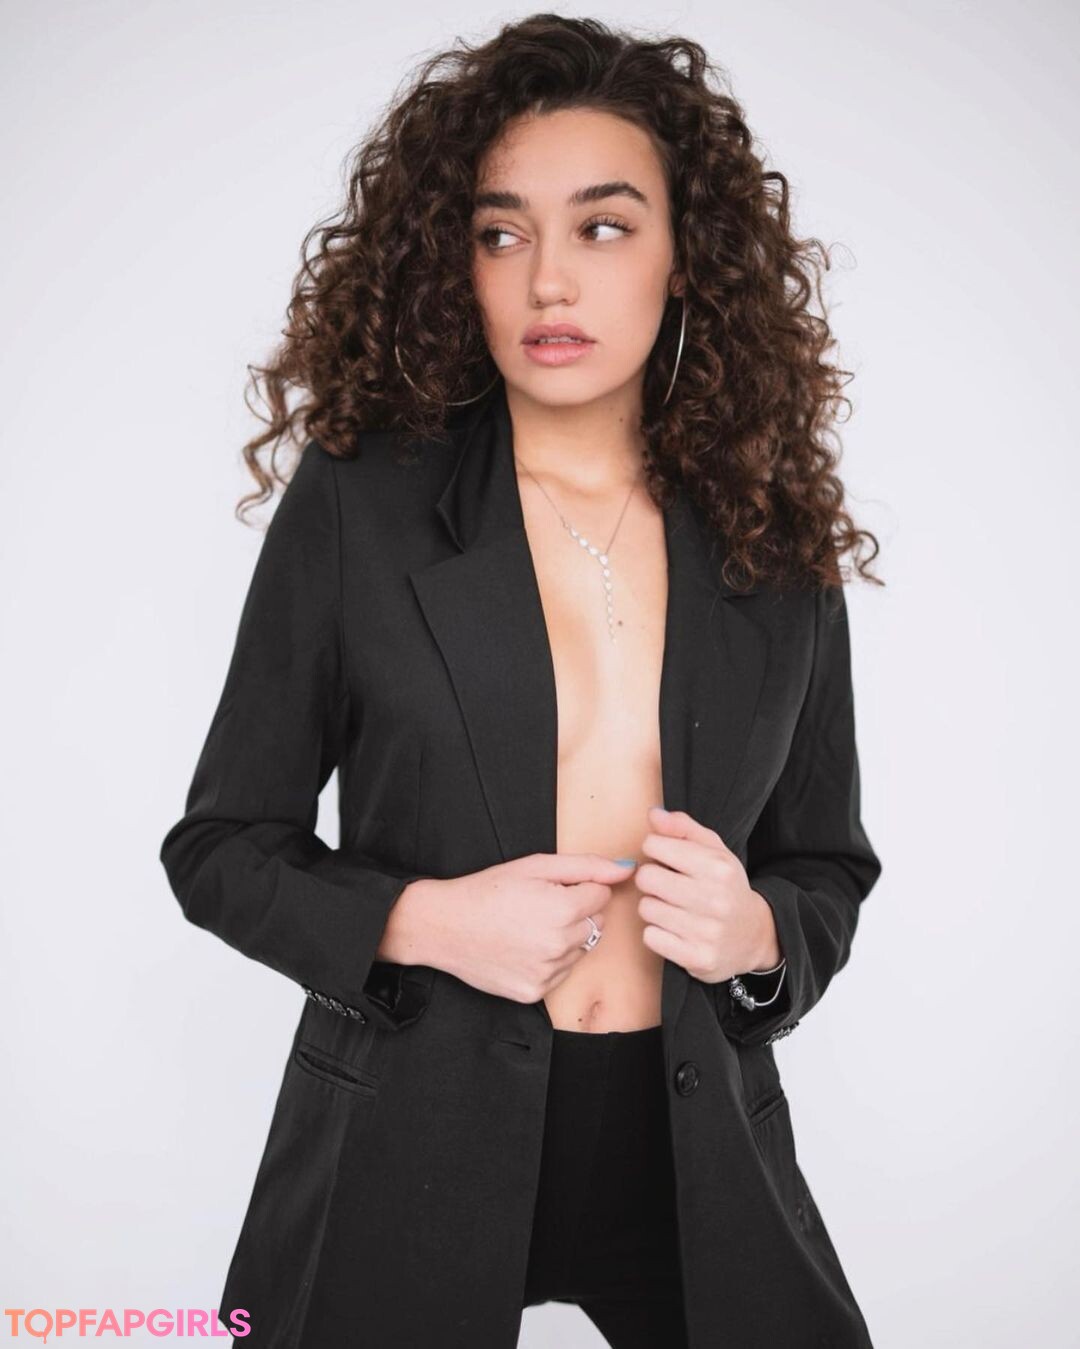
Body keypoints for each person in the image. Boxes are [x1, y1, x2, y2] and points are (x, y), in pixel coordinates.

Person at [160, 14, 884, 1348]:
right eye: (501, 234)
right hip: (407, 1142)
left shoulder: (771, 531)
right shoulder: (360, 505)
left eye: (603, 227)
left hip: (696, 1154)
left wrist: (759, 940)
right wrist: (424, 921)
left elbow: (826, 865)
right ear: (458, 263)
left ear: (685, 255)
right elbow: (219, 848)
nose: (550, 279)